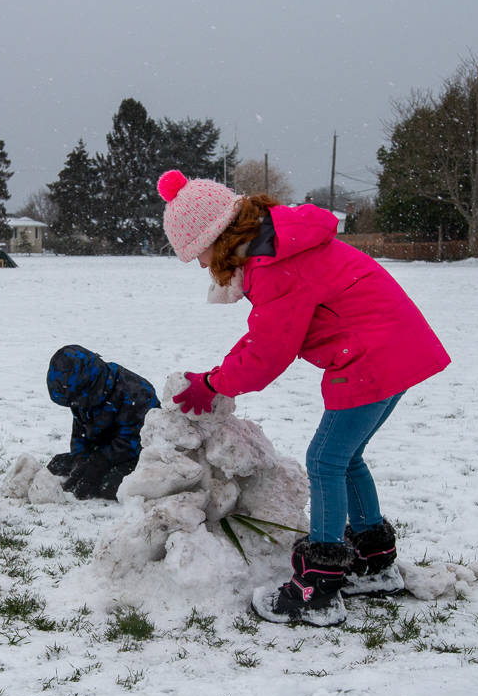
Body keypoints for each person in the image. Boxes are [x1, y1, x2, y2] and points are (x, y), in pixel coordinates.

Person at [157, 169, 450, 626]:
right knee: (345, 459)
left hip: (371, 357)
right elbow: (265, 338)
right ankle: (374, 565)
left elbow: (267, 355)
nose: (200, 264)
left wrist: (213, 385)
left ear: (218, 235)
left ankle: (318, 587)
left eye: (199, 253)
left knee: (325, 461)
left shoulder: (274, 264)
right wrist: (216, 376)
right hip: (396, 350)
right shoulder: (281, 243)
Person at [46, 344, 160, 500]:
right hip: (102, 449)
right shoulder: (82, 397)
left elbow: (135, 440)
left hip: (139, 456)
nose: (74, 406)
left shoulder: (136, 392)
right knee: (58, 466)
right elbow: (80, 429)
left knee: (110, 485)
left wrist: (100, 462)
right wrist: (80, 458)